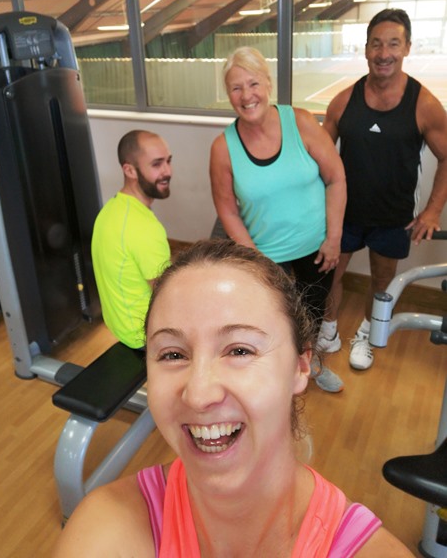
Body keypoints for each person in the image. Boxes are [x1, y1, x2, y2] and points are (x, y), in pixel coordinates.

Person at [52, 239, 413, 557]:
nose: (198, 394)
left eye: (239, 350)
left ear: (301, 366)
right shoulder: (107, 526)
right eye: (173, 354)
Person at [209, 46, 347, 393]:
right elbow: (227, 209)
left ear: (267, 83)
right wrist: (256, 258)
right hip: (265, 256)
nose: (246, 95)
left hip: (316, 248)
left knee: (311, 314)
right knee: (270, 323)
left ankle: (311, 365)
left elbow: (336, 178)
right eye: (236, 88)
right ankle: (274, 380)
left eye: (253, 83)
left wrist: (334, 238)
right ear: (228, 95)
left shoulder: (300, 122)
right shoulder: (223, 148)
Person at [319, 8, 447, 370]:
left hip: (393, 215)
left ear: (406, 48)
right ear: (365, 50)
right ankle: (327, 328)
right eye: (376, 44)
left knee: (382, 281)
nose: (384, 52)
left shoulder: (424, 105)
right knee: (330, 275)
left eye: (393, 43)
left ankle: (366, 333)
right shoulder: (343, 101)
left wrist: (433, 211)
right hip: (343, 212)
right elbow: (318, 156)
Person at [91, 129, 172, 349]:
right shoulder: (144, 228)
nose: (167, 171)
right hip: (144, 335)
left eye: (168, 161)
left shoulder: (111, 209)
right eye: (156, 164)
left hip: (121, 326)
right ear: (129, 170)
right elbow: (169, 296)